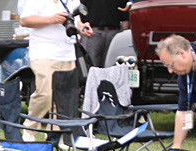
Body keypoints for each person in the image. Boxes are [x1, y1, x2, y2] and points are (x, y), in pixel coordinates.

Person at [19, 0, 92, 142]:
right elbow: (25, 20)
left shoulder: (72, 1)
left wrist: (82, 27)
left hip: (67, 54)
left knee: (63, 98)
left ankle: (55, 136)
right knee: (45, 93)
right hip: (44, 53)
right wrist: (51, 20)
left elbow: (74, 21)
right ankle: (30, 129)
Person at [81, 0, 128, 69]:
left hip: (94, 32)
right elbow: (125, 17)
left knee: (91, 69)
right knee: (111, 69)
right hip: (106, 32)